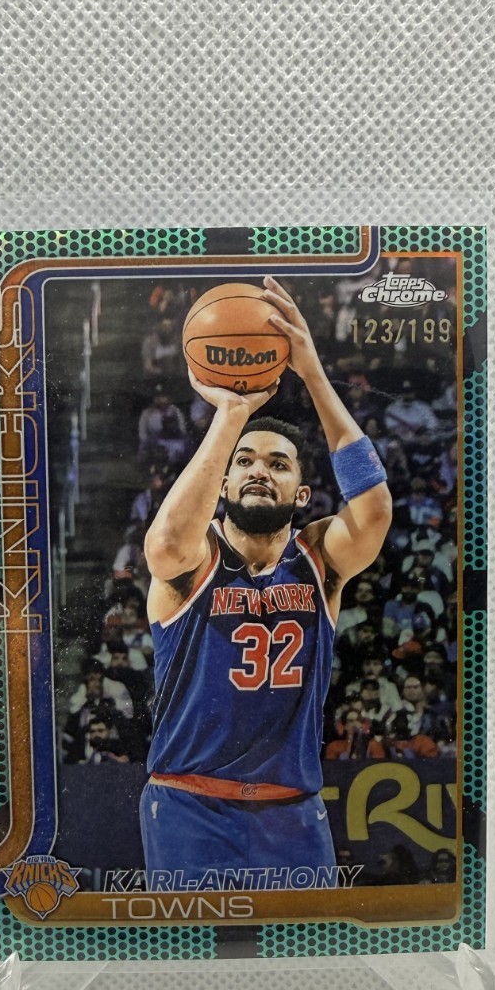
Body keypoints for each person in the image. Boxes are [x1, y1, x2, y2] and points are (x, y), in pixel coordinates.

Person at [140, 276, 392, 888]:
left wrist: (311, 372)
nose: (260, 471)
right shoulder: (196, 559)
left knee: (306, 947)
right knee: (196, 950)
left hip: (293, 810)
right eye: (244, 462)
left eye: (279, 464)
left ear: (301, 494)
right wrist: (231, 416)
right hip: (188, 802)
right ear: (222, 484)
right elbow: (165, 546)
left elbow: (375, 511)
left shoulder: (318, 557)